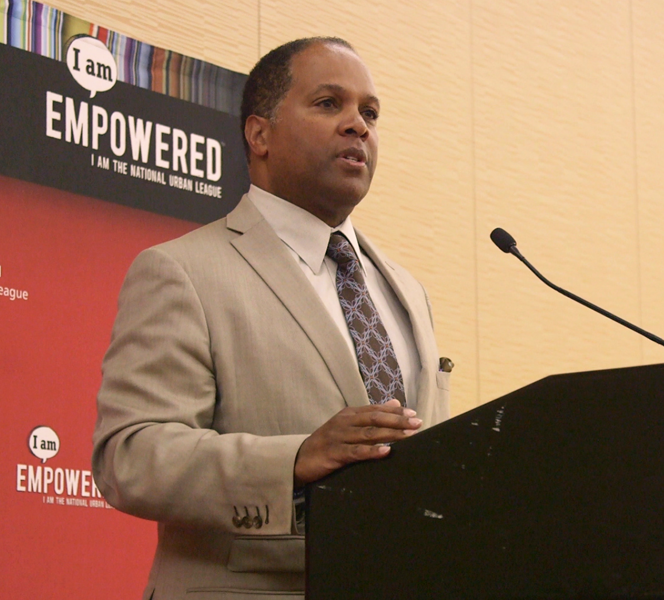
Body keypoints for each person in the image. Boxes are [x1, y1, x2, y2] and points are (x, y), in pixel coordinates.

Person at [92, 37, 450, 600]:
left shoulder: (407, 290)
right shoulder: (182, 271)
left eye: (370, 112)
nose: (358, 125)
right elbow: (129, 456)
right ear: (259, 135)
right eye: (330, 103)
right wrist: (295, 458)